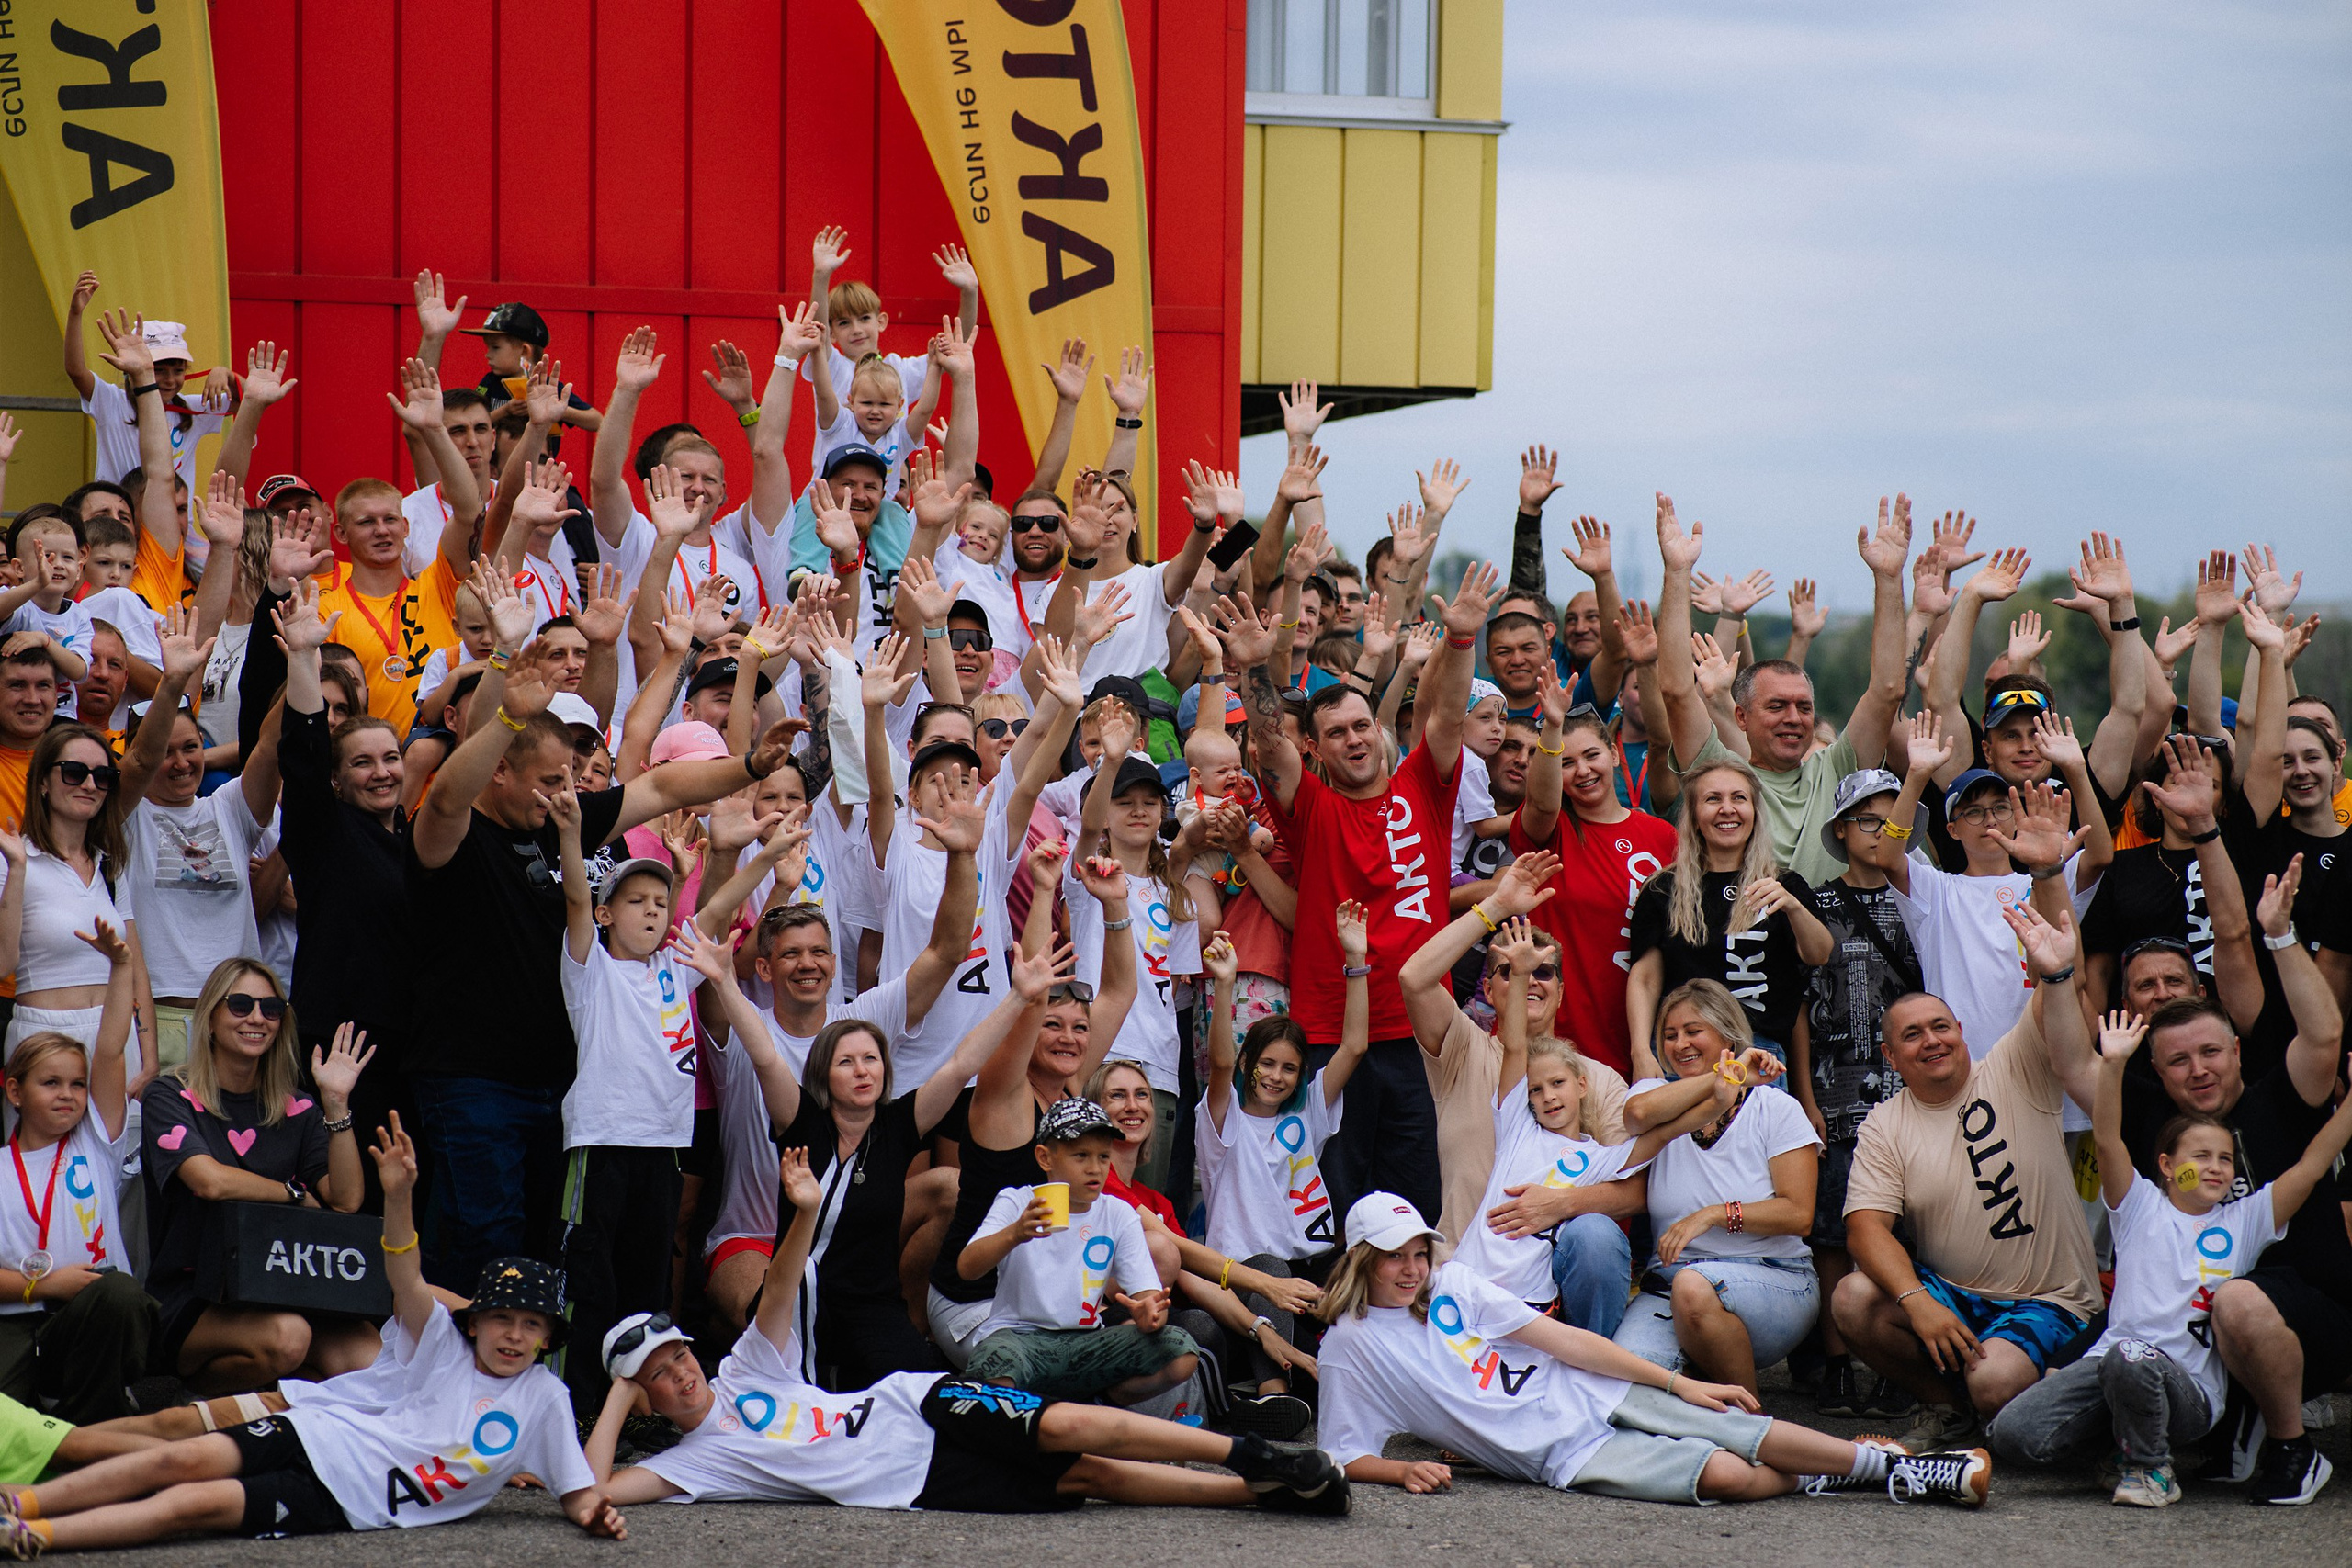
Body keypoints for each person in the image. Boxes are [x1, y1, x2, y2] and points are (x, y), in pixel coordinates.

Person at [583, 1145, 1349, 1517]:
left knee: (1065, 1424)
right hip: (909, 1482)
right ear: (643, 1399)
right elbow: (592, 1492)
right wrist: (620, 1392)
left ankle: (1251, 1451)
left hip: (914, 1404)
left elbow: (781, 1286)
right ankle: (1263, 1491)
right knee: (1088, 1478)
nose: (680, 1371)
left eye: (678, 1352)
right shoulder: (696, 1464)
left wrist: (808, 1209)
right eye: (659, 1373)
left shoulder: (743, 1371)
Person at [404, 581, 797, 1291]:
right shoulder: (454, 836)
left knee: (538, 1249)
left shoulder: (568, 823)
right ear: (503, 770)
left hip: (559, 1082)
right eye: (548, 780)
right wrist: (505, 713)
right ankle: (452, 1393)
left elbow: (667, 787)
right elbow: (447, 792)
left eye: (570, 780)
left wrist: (751, 767)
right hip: (471, 1081)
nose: (565, 794)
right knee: (476, 1246)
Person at [0, 1117, 624, 1552]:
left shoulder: (545, 1396)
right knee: (178, 1454)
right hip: (321, 1427)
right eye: (502, 1319)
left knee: (190, 1504)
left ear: (546, 1338)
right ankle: (22, 1501)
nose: (513, 1335)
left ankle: (39, 1534)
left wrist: (595, 1511)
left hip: (350, 1502)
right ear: (476, 1320)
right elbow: (403, 1269)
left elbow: (578, 1490)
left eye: (531, 1325)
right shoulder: (442, 1340)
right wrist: (399, 1196)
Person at [1315, 1191, 1992, 1506]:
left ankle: (1896, 1470)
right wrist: (1398, 1472)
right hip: (1561, 1453)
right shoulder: (1350, 1344)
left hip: (1593, 1391)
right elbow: (1342, 1451)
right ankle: (1834, 1470)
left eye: (1416, 1252)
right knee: (1722, 1474)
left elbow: (1566, 1340)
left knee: (1733, 1426)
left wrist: (1679, 1384)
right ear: (1359, 1261)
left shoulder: (1453, 1282)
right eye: (1391, 1258)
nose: (1409, 1268)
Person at [2035, 855, 2349, 1506]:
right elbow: (2072, 1062)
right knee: (2040, 1391)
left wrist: (2281, 937)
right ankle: (2174, 1434)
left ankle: (2292, 1447)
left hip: (2305, 1312)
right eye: (2178, 1060)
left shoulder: (2279, 1098)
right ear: (2156, 1064)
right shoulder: (2151, 1112)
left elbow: (2323, 1036)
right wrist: (2060, 973)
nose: (2198, 1069)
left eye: (2211, 1052)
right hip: (2181, 1327)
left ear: (2236, 1049)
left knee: (2237, 1300)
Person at [680, 860, 1048, 1392]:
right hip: (763, 1242)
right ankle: (737, 1336)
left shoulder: (874, 1056)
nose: (861, 1070)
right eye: (791, 954)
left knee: (946, 1190)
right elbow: (764, 1058)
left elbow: (959, 1062)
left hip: (859, 1263)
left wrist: (1017, 994)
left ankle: (907, 1324)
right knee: (768, 1324)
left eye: (819, 953)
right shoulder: (794, 1102)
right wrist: (721, 969)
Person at [1218, 559, 1497, 1222]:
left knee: (1413, 1204)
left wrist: (1460, 641)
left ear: (1379, 728)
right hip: (1331, 1033)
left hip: (1421, 1032)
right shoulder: (1311, 805)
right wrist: (1257, 668)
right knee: (1333, 1201)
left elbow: (1449, 715)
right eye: (1336, 732)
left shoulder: (1421, 790)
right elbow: (1267, 739)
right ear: (1315, 748)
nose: (1354, 739)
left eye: (1361, 726)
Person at [1988, 1014, 2352, 1507]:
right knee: (2014, 1433)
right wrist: (2113, 1064)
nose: (2215, 1168)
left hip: (2190, 1392)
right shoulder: (2139, 1205)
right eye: (2200, 1157)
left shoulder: (2245, 1219)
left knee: (2131, 1358)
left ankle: (2150, 1470)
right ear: (2166, 1166)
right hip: (2112, 1365)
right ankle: (2123, 1447)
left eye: (2224, 1159)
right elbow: (2110, 1137)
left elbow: (2311, 1165)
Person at [1833, 900, 2105, 1455]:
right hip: (1956, 1296)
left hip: (2051, 1300)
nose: (1931, 1041)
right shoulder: (1886, 1124)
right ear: (1890, 1056)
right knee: (1853, 1298)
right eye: (1912, 1035)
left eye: (1940, 1027)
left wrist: (2054, 957)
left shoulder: (2014, 1067)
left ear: (1960, 1030)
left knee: (1994, 1382)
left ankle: (2046, 1398)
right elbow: (1865, 1230)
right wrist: (1917, 1301)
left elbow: (2056, 996)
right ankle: (1949, 1409)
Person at [1453, 919, 1739, 1314]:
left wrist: (1719, 1096)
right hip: (1469, 1278)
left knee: (1592, 1241)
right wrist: (1518, 972)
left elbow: (1663, 1135)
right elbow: (1515, 1044)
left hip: (1532, 1299)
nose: (1548, 1097)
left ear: (1583, 1085)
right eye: (1535, 1091)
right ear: (1524, 1100)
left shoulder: (1597, 1158)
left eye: (1557, 1084)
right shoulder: (1517, 1127)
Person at [1397, 854, 1635, 1325]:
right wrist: (1496, 904)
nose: (1528, 977)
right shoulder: (1463, 1048)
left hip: (1561, 1279)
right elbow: (1414, 977)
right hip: (1466, 1277)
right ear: (1488, 989)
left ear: (1561, 991)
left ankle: (1590, 1378)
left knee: (1595, 1235)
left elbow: (1636, 1189)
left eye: (1542, 970)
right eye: (1510, 970)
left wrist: (1562, 1204)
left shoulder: (1600, 1077)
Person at [926, 851, 1137, 1368]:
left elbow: (1120, 990)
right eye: (1054, 1025)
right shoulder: (1004, 1096)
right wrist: (1043, 891)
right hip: (975, 1303)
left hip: (1047, 1301)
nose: (1070, 1038)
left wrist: (1116, 906)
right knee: (1057, 1381)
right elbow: (1032, 998)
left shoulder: (1073, 1086)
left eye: (1080, 1028)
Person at [139, 963, 378, 1394]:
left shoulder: (300, 1108)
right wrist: (291, 1194)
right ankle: (185, 1394)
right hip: (194, 1292)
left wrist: (337, 1105)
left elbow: (345, 1201)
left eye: (270, 1008)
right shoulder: (169, 1094)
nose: (256, 1018)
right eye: (240, 1005)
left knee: (367, 1355)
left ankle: (289, 1410)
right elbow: (207, 1181)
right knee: (290, 1339)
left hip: (282, 1284)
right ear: (210, 1016)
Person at [1652, 492, 1909, 886]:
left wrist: (1889, 581)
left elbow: (1888, 691)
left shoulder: (1837, 769)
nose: (1794, 718)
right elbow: (1674, 690)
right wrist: (1676, 573)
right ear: (1741, 715)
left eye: (1804, 707)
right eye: (1777, 706)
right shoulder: (1721, 774)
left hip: (1829, 945)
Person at [1615, 982, 1824, 1397]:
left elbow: (1798, 1215)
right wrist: (1724, 1077)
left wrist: (1711, 1214)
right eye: (1669, 1035)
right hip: (1668, 1287)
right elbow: (1637, 1115)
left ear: (1728, 1034)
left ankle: (1749, 1426)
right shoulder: (1652, 1095)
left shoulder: (1775, 1108)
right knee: (1627, 1386)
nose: (1680, 1044)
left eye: (1693, 1031)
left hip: (1772, 1277)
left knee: (1694, 1286)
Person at [1794, 770, 1928, 1420]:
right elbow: (1796, 1004)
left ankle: (1906, 1359)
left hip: (1911, 1093)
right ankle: (1838, 1361)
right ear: (1842, 831)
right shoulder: (1815, 902)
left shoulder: (1919, 900)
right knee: (1832, 1233)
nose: (1879, 831)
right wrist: (1804, 1095)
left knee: (1909, 1226)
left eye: (1891, 818)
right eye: (1867, 819)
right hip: (1835, 1085)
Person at [1880, 713, 2109, 1065]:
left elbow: (2100, 854)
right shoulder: (1937, 891)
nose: (1989, 820)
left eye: (2000, 808)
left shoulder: (2046, 879)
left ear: (2017, 816)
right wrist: (1916, 775)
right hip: (1966, 1072)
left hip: (2042, 1067)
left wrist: (2077, 770)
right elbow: (1888, 857)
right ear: (1952, 830)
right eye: (1973, 812)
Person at [0, 923, 152, 1425]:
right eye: (51, 1083)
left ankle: (93, 1429)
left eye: (78, 1085)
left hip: (97, 1311)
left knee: (122, 1294)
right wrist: (42, 1286)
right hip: (18, 1322)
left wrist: (122, 966)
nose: (68, 1094)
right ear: (15, 1091)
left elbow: (109, 1049)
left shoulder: (95, 1142)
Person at [958, 1097, 1198, 1405]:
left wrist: (1150, 1314)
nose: (1095, 1168)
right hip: (1019, 1337)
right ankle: (1033, 1418)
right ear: (1045, 1158)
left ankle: (1101, 1401)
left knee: (1180, 1350)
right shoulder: (1017, 1202)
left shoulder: (1118, 1213)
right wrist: (1015, 1233)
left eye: (1103, 1156)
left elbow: (1150, 1299)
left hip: (1086, 1342)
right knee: (995, 1363)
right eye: (1081, 1155)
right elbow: (967, 1267)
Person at [1196, 909, 1372, 1310]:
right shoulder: (1223, 1118)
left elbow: (1355, 1047)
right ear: (1247, 1065)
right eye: (1267, 1064)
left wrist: (1356, 961)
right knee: (1273, 1271)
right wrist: (1224, 985)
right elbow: (1220, 1063)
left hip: (1306, 1265)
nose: (1277, 1077)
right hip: (1244, 1276)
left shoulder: (1305, 1113)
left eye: (1289, 1068)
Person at [1510, 682, 1677, 1078]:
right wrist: (1551, 727)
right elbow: (1542, 801)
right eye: (1567, 763)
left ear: (1615, 754)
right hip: (1558, 1044)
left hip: (1642, 1045)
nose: (1583, 770)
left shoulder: (1664, 836)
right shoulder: (1550, 831)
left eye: (1591, 755)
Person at [1626, 758, 1832, 1072]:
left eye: (1739, 798)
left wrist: (1792, 906)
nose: (1727, 809)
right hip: (1683, 1054)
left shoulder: (1784, 885)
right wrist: (1641, 1051)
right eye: (1713, 799)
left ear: (1755, 813)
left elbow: (1819, 954)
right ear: (1694, 817)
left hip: (1759, 1053)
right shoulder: (1662, 889)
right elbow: (1645, 979)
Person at [1066, 722, 1201, 1192]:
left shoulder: (1178, 896)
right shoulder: (1088, 879)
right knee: (1092, 1202)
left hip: (1159, 1067)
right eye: (1124, 802)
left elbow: (1177, 992)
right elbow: (1086, 828)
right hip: (1099, 1058)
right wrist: (1112, 764)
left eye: (1149, 802)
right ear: (1105, 812)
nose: (1138, 812)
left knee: (1150, 1209)